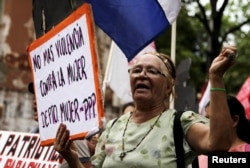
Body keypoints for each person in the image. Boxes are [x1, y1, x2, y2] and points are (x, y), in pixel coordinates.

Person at [54, 45, 237, 168]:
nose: (142, 75)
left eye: (152, 71)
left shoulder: (180, 122)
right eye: (137, 70)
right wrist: (70, 156)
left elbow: (219, 144)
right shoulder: (112, 127)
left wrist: (216, 77)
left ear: (168, 87)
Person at [28, 82, 93, 168]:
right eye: (34, 97)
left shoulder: (72, 134)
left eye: (41, 97)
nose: (35, 102)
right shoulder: (33, 133)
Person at [199, 95, 250, 168]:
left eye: (214, 119)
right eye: (206, 118)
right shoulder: (200, 157)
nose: (209, 124)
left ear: (234, 120)